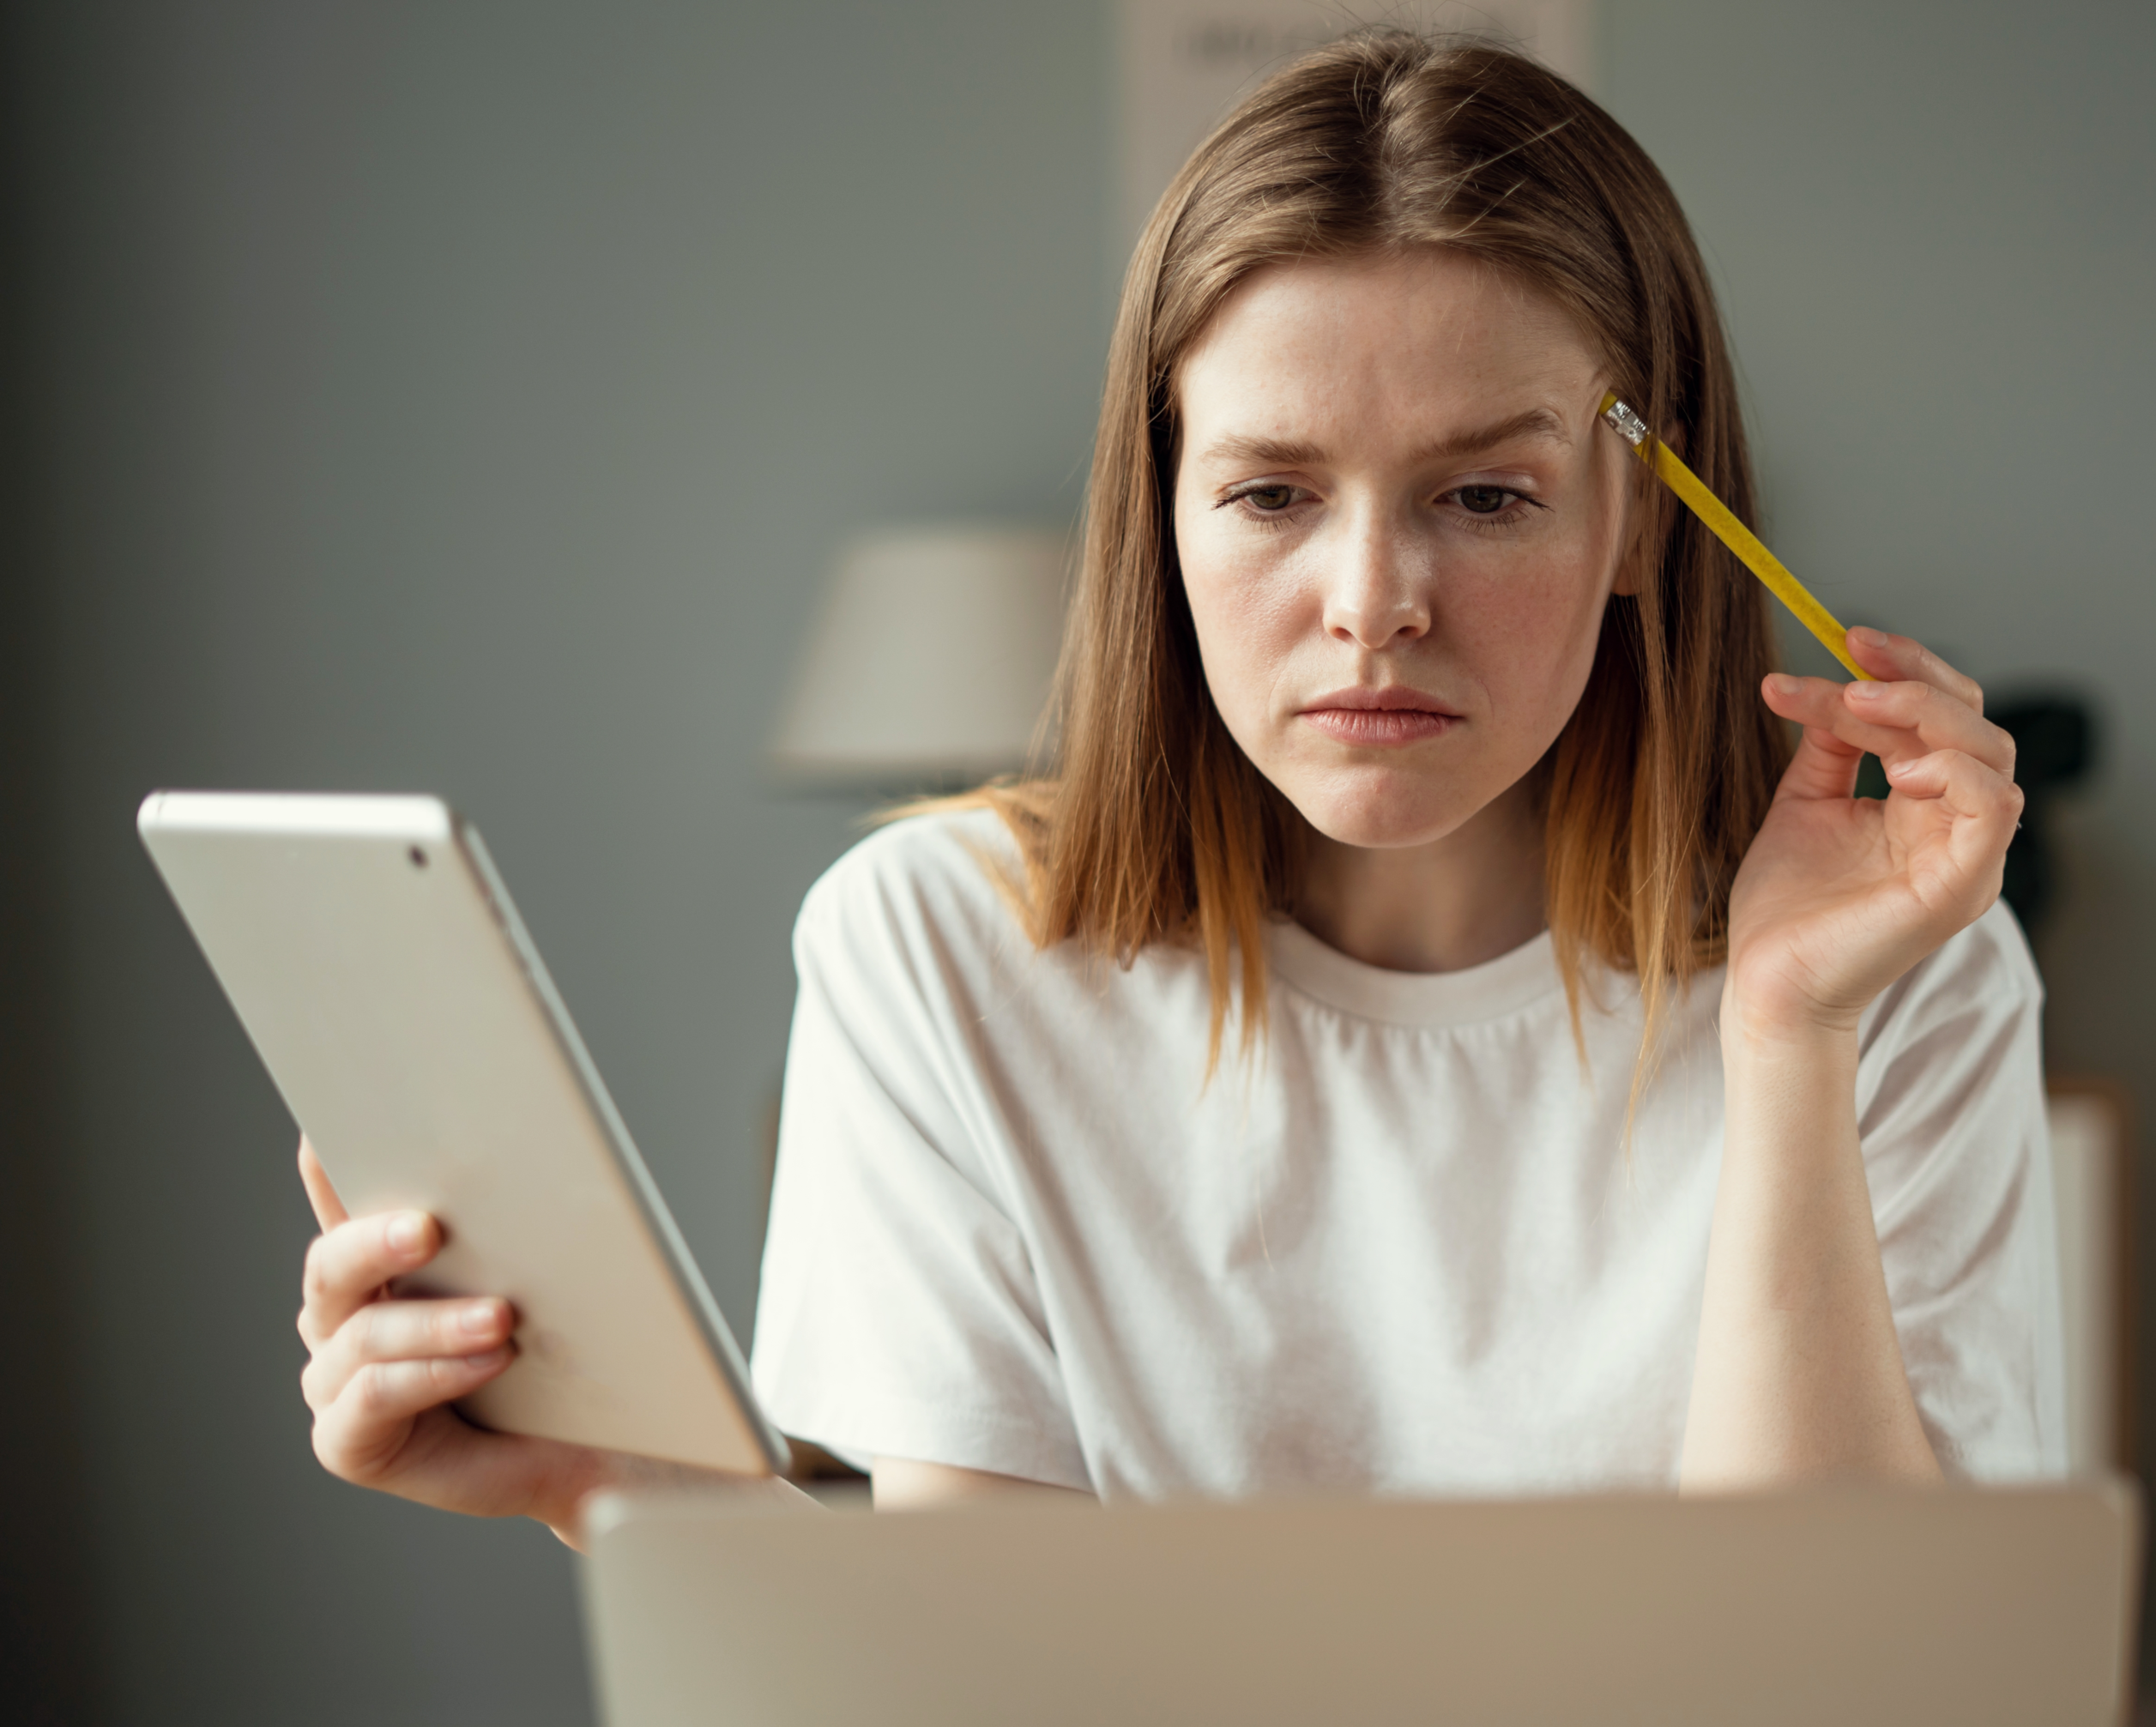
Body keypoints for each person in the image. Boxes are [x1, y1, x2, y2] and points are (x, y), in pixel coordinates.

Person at [289, 30, 2059, 1547]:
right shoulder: (938, 953)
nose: (1375, 598)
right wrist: (601, 1482)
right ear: (1166, 514)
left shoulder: (1896, 973)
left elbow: (1835, 1725)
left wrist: (1787, 1034)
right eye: (1274, 494)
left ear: (1638, 520)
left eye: (1489, 496)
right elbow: (993, 1723)